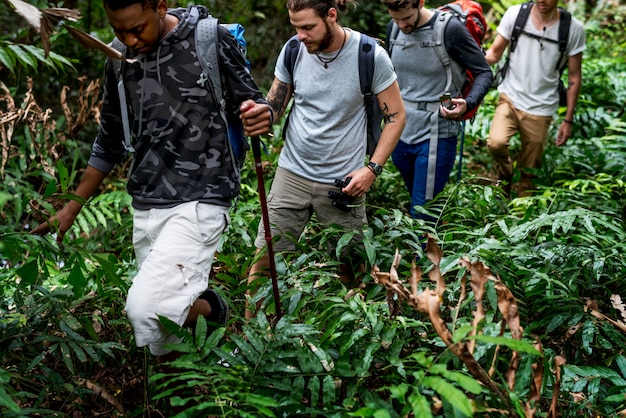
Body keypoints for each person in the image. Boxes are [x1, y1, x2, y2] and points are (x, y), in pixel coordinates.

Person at [32, 0, 272, 361]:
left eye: (136, 28)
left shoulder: (210, 39)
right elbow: (109, 141)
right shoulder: (116, 57)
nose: (129, 39)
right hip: (147, 199)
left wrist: (261, 114)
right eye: (119, 31)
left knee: (145, 309)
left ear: (159, 7)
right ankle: (184, 391)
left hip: (203, 195)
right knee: (160, 340)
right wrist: (71, 207)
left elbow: (254, 102)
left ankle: (214, 310)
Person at [245, 0, 406, 318]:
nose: (300, 35)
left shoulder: (369, 56)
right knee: (266, 262)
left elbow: (397, 116)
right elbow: (275, 105)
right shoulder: (293, 50)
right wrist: (259, 115)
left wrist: (371, 170)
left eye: (307, 27)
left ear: (331, 15)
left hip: (342, 182)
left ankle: (355, 340)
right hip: (291, 173)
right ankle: (252, 340)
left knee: (351, 266)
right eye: (295, 27)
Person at [382, 0, 492, 219]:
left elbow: (484, 72)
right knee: (418, 198)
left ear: (420, 3)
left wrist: (468, 103)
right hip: (400, 129)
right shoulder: (393, 28)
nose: (402, 25)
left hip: (437, 129)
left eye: (406, 18)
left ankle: (424, 251)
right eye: (396, 18)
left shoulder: (449, 29)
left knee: (422, 212)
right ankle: (429, 246)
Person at [485, 0, 585, 196]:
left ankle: (522, 213)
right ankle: (505, 175)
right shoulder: (515, 15)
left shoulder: (572, 28)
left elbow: (574, 76)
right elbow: (494, 53)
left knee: (530, 169)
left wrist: (568, 120)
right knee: (495, 143)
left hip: (542, 106)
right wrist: (466, 59)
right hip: (510, 96)